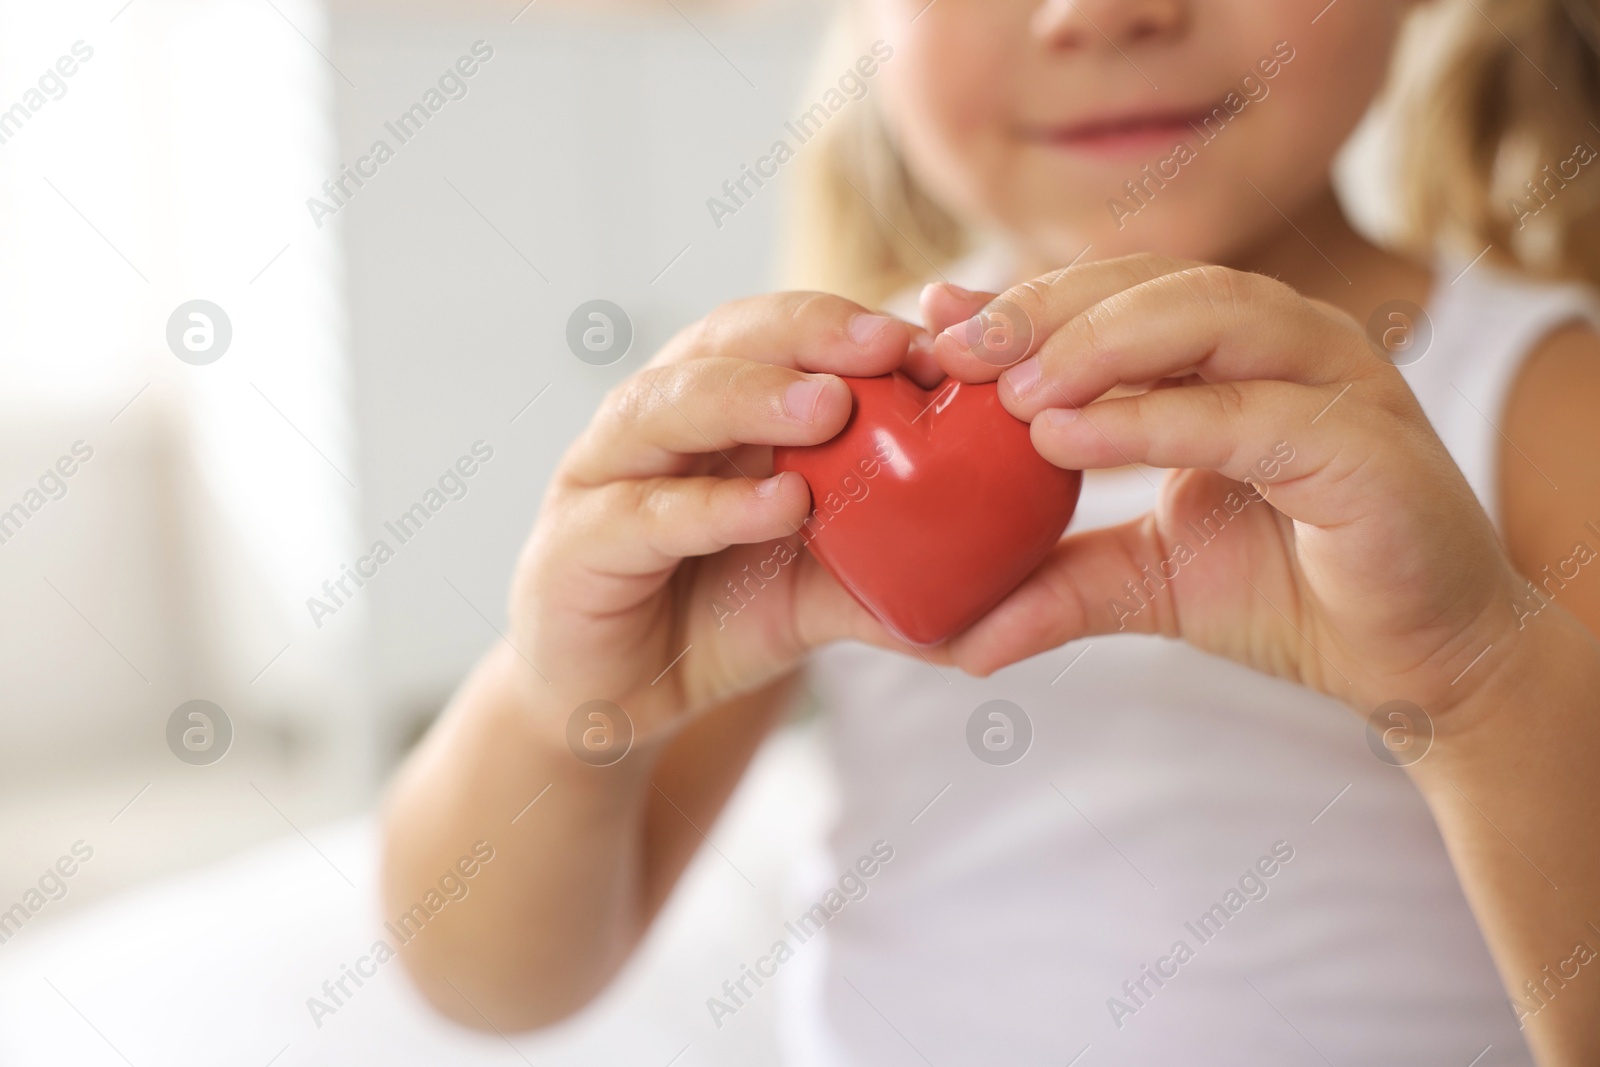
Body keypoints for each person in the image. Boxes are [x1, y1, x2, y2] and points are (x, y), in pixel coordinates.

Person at [381, 0, 1600, 1062]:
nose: (1100, 9)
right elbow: (494, 988)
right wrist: (562, 709)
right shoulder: (803, 428)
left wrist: (1477, 681)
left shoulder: (1546, 396)